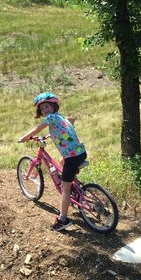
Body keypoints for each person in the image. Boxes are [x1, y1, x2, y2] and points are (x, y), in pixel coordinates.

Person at [18, 92, 87, 231]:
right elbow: (64, 127)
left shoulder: (51, 117)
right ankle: (78, 184)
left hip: (72, 158)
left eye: (47, 106)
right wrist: (50, 134)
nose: (45, 110)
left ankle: (63, 220)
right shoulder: (59, 117)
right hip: (80, 153)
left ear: (54, 106)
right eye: (42, 109)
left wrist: (24, 137)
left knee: (65, 190)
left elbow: (37, 128)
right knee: (62, 162)